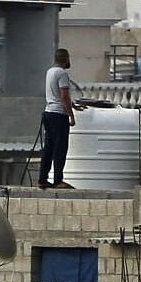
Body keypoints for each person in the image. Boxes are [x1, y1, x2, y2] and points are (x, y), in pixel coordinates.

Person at [38, 48, 83, 189]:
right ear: (66, 58)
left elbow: (56, 95)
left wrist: (73, 105)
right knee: (60, 148)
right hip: (59, 115)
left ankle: (42, 179)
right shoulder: (63, 73)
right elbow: (64, 95)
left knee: (49, 148)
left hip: (48, 112)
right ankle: (58, 180)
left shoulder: (50, 71)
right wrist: (71, 115)